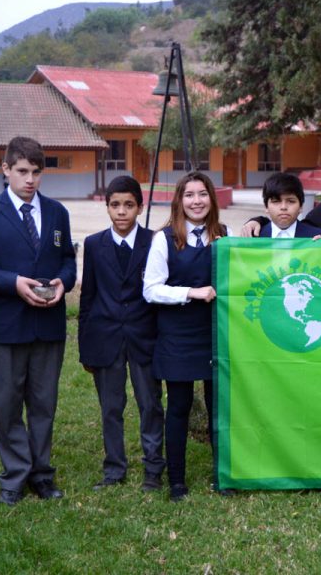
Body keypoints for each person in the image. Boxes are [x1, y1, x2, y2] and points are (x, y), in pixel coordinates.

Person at [0, 136, 76, 505]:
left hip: (48, 325)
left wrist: (63, 282)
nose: (30, 180)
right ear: (5, 169)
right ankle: (14, 475)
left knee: (43, 404)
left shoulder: (58, 213)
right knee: (7, 405)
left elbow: (68, 260)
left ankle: (41, 475)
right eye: (22, 171)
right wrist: (12, 282)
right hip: (5, 328)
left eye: (37, 173)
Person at [143, 172, 230, 501]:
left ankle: (224, 474)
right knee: (178, 406)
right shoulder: (163, 239)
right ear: (179, 201)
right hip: (178, 336)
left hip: (216, 334)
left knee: (218, 408)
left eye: (203, 194)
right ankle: (176, 480)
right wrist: (192, 292)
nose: (197, 201)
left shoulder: (225, 235)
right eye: (189, 195)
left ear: (212, 198)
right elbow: (150, 290)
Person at [78, 176, 164, 492]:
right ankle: (114, 469)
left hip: (144, 338)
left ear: (139, 207)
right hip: (105, 338)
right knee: (111, 408)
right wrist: (84, 346)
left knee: (150, 404)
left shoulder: (155, 241)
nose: (122, 212)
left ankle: (154, 469)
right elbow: (87, 297)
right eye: (115, 205)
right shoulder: (94, 244)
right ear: (107, 207)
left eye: (129, 205)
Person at [259, 172, 321, 239]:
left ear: (301, 206)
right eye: (276, 201)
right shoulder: (253, 238)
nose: (283, 207)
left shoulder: (320, 238)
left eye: (291, 201)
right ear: (266, 206)